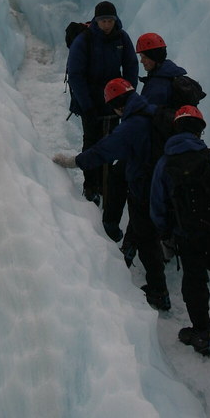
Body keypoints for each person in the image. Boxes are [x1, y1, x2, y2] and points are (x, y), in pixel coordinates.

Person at [53, 79, 171, 312]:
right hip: (164, 184)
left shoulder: (131, 127)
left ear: (118, 106)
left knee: (147, 241)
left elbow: (103, 151)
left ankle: (159, 292)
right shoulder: (154, 111)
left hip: (144, 188)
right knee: (145, 231)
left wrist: (75, 161)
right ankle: (135, 252)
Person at [150, 105, 210, 357]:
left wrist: (166, 236)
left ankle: (202, 334)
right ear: (199, 131)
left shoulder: (164, 164)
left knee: (194, 283)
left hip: (186, 237)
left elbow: (157, 205)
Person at [66, 1, 138, 214]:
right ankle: (91, 186)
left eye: (109, 20)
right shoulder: (84, 40)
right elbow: (76, 75)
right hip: (90, 101)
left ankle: (105, 184)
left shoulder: (122, 38)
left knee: (111, 142)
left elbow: (131, 65)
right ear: (96, 21)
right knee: (91, 141)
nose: (106, 25)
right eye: (103, 21)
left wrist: (127, 96)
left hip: (114, 101)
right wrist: (87, 106)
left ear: (115, 20)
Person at [135, 32, 188, 106]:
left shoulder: (156, 86)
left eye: (145, 57)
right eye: (141, 57)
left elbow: (147, 111)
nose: (141, 61)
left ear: (154, 56)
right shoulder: (173, 75)